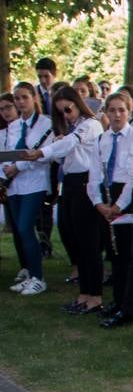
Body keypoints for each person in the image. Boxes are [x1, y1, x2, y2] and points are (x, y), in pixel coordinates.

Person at [25, 86, 103, 311]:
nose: (66, 116)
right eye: (61, 113)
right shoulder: (73, 127)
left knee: (88, 243)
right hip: (70, 183)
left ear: (77, 103)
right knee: (74, 239)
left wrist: (43, 152)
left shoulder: (91, 124)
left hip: (84, 183)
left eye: (68, 110)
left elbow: (70, 144)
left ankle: (94, 296)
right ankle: (84, 294)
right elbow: (65, 156)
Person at [83, 93, 133, 316]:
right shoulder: (102, 139)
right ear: (106, 113)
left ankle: (130, 303)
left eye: (122, 110)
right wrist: (99, 203)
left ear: (129, 112)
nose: (117, 114)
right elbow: (94, 173)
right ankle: (117, 301)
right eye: (112, 110)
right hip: (106, 196)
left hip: (125, 196)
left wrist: (119, 205)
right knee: (114, 253)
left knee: (128, 255)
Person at [3, 82, 54, 295]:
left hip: (34, 183)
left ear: (34, 98)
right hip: (15, 185)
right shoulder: (13, 126)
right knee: (20, 231)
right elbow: (7, 152)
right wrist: (6, 169)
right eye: (17, 98)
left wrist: (18, 166)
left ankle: (38, 278)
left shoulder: (46, 123)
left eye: (24, 97)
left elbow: (44, 154)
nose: (21, 102)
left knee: (25, 227)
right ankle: (31, 273)